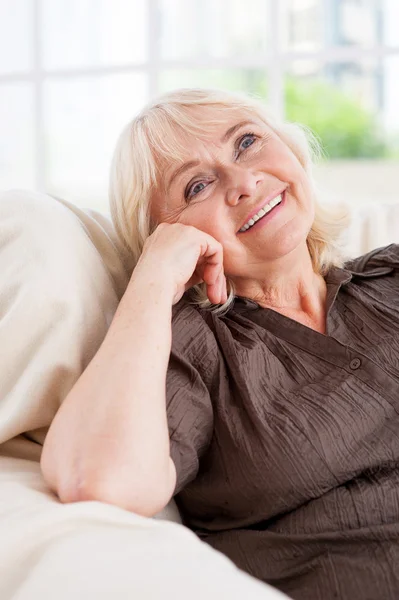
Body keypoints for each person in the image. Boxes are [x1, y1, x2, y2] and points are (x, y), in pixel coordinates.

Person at [41, 88, 399, 600]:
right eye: (196, 186)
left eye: (248, 142)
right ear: (166, 234)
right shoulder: (195, 346)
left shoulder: (391, 274)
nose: (244, 182)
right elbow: (96, 479)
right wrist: (154, 278)